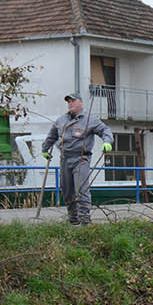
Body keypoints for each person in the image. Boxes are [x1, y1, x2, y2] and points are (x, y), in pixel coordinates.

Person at [41, 94, 112, 225]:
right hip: (64, 158)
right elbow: (52, 136)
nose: (70, 103)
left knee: (81, 189)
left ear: (81, 102)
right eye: (68, 101)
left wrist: (107, 141)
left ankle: (85, 220)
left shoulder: (90, 119)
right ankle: (73, 219)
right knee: (66, 189)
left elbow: (105, 130)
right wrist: (44, 150)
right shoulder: (61, 120)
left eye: (73, 101)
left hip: (81, 158)